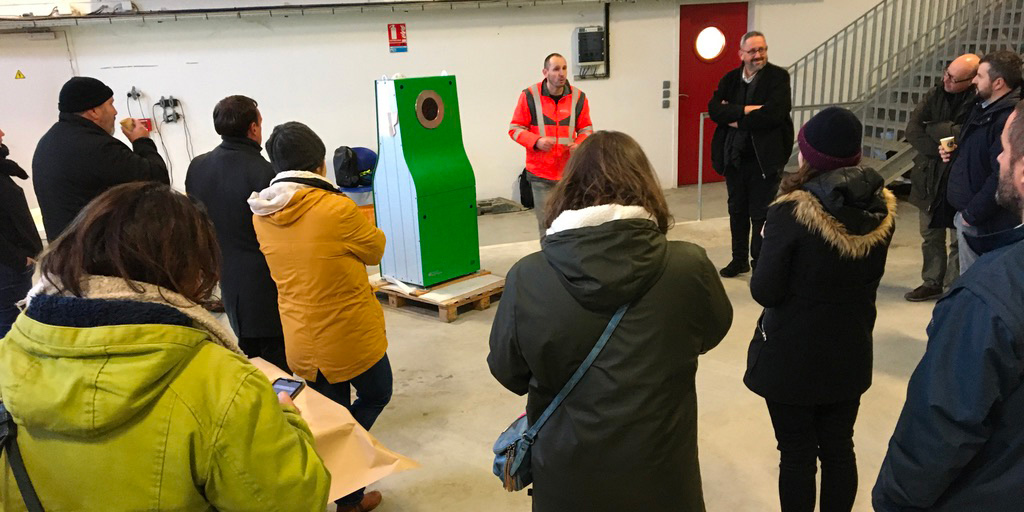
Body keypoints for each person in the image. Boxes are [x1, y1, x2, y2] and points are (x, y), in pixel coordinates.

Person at [0, 181, 330, 510]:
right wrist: (287, 415)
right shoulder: (222, 385)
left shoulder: (8, 356)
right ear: (189, 267)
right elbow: (294, 500)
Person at [488, 131, 733, 511]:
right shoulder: (689, 266)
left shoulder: (528, 277)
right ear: (646, 187)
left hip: (568, 480)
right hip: (664, 477)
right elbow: (712, 331)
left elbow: (508, 372)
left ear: (567, 189)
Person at [873, 100, 1024, 512]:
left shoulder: (988, 299)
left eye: (1006, 151)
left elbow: (941, 429)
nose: (998, 156)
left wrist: (892, 501)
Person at [744, 107, 896, 512]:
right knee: (838, 449)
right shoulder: (880, 210)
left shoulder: (791, 213)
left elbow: (766, 291)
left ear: (810, 154)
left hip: (794, 354)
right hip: (850, 347)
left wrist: (763, 242)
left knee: (796, 454)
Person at [249, 121, 390, 512]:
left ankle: (345, 492)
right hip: (347, 333)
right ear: (320, 163)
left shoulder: (261, 212)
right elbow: (375, 248)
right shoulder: (335, 208)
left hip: (299, 334)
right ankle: (339, 464)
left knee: (332, 411)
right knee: (377, 393)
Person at [185, 95, 288, 373]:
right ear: (254, 128)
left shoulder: (198, 166)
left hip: (225, 277)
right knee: (278, 366)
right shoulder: (265, 172)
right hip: (265, 283)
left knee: (252, 363)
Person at [32, 76, 169, 241]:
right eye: (110, 104)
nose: (115, 112)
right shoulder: (98, 148)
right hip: (97, 254)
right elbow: (157, 181)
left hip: (66, 252)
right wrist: (141, 141)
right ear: (94, 112)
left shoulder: (49, 141)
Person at [708, 31, 795, 277]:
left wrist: (736, 119)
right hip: (734, 158)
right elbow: (715, 110)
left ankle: (759, 261)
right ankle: (739, 260)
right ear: (741, 54)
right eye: (753, 51)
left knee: (760, 213)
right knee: (737, 210)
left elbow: (775, 114)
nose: (759, 55)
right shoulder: (730, 80)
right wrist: (747, 110)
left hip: (764, 159)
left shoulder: (778, 77)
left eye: (762, 49)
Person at [903, 54, 978, 301]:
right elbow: (913, 130)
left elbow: (966, 134)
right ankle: (932, 281)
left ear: (971, 80)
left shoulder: (979, 100)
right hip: (929, 176)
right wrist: (938, 149)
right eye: (946, 73)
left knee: (959, 238)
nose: (946, 80)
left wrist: (935, 127)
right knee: (930, 235)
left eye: (954, 79)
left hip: (960, 177)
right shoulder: (934, 94)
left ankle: (953, 287)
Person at [941, 50, 1022, 273]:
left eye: (979, 75)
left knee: (977, 278)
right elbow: (980, 154)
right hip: (970, 215)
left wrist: (971, 216)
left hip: (982, 221)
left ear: (998, 83)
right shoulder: (982, 107)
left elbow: (1001, 174)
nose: (974, 80)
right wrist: (955, 153)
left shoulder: (1008, 119)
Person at [509, 52, 594, 236]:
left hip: (569, 173)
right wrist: (536, 141)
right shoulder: (529, 96)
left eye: (564, 68)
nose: (561, 73)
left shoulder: (578, 98)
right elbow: (515, 129)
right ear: (545, 72)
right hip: (540, 175)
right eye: (556, 69)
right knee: (547, 225)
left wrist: (580, 143)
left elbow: (586, 129)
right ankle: (548, 261)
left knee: (572, 223)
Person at [0, 128, 43, 337]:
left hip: (12, 266)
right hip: (7, 267)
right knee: (11, 328)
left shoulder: (3, 168)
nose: (2, 133)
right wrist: (18, 259)